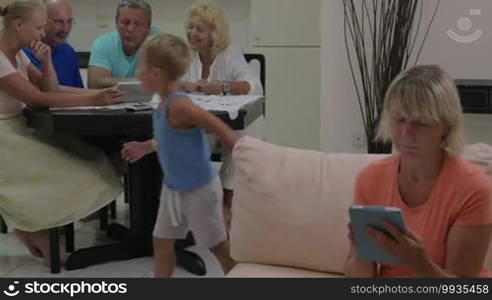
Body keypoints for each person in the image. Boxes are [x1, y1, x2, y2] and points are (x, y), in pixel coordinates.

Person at [0, 0, 123, 266]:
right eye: (38, 27)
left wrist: (46, 63)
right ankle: (29, 227)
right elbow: (40, 98)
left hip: (21, 130)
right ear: (19, 25)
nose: (41, 34)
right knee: (77, 170)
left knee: (94, 158)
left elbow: (51, 88)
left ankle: (31, 227)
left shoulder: (19, 54)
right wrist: (95, 100)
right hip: (5, 141)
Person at [345, 65, 492, 278]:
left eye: (420, 123)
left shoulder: (473, 187)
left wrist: (418, 262)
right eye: (399, 119)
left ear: (446, 127)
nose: (406, 133)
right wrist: (360, 251)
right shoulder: (370, 178)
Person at [120, 33, 236, 277]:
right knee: (162, 243)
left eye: (142, 66)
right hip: (174, 189)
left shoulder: (179, 105)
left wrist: (241, 154)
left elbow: (216, 124)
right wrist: (145, 147)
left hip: (199, 189)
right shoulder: (161, 105)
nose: (138, 72)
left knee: (217, 246)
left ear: (155, 74)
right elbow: (168, 138)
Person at [180, 0, 264, 224]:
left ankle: (230, 198)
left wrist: (222, 86)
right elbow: (172, 84)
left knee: (243, 135)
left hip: (228, 125)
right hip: (201, 125)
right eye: (191, 27)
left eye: (200, 29)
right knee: (186, 138)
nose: (192, 33)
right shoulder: (187, 56)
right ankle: (194, 204)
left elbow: (252, 86)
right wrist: (185, 86)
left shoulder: (231, 54)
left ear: (215, 33)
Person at [87, 0, 157, 88]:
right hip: (110, 101)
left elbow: (166, 82)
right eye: (125, 22)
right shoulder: (103, 43)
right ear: (116, 23)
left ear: (148, 28)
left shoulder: (157, 43)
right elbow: (95, 83)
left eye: (138, 24)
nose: (130, 29)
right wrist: (141, 82)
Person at [23, 0, 83, 88]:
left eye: (69, 21)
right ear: (42, 21)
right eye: (59, 22)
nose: (65, 29)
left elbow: (78, 90)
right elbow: (43, 94)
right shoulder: (24, 53)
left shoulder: (68, 51)